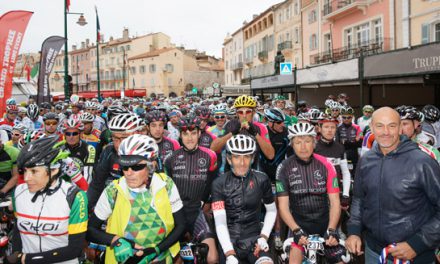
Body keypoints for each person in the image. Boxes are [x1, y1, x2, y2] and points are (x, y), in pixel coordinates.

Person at [345, 107, 440, 263]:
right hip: (373, 251)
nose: (386, 132)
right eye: (380, 126)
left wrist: (417, 243)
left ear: (400, 127)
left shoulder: (423, 162)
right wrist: (354, 231)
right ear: (372, 127)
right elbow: (359, 199)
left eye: (392, 125)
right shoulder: (366, 161)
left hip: (414, 255)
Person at [87, 134, 185, 264]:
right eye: (124, 166)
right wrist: (115, 241)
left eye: (136, 167)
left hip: (161, 258)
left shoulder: (166, 184)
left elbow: (181, 225)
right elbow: (90, 230)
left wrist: (157, 250)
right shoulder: (113, 191)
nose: (128, 172)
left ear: (152, 165)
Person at [11, 135, 88, 264]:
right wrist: (16, 253)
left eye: (34, 171)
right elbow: (17, 230)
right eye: (24, 171)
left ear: (54, 170)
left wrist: (25, 259)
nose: (26, 178)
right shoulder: (18, 192)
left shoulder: (74, 196)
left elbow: (75, 249)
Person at [276, 122, 343, 264]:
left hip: (325, 224)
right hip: (299, 226)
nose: (303, 146)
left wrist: (331, 229)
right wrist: (296, 230)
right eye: (298, 142)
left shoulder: (326, 164)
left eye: (307, 141)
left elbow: (335, 202)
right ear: (292, 145)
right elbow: (283, 207)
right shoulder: (283, 167)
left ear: (314, 143)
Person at [211, 135, 276, 264]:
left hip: (255, 238)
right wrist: (229, 252)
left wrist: (264, 236)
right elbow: (220, 222)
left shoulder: (262, 179)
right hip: (229, 240)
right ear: (229, 159)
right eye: (236, 157)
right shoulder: (219, 183)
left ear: (252, 158)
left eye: (246, 156)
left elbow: (272, 211)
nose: (242, 162)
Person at [164, 115, 219, 263]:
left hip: (198, 211)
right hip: (176, 213)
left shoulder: (210, 155)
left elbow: (212, 183)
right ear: (180, 135)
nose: (189, 138)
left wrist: (206, 204)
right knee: (177, 260)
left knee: (212, 258)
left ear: (199, 134)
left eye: (193, 133)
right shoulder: (170, 158)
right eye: (185, 134)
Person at [87, 113, 142, 211]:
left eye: (125, 138)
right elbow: (96, 184)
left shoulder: (148, 153)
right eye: (115, 138)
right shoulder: (109, 151)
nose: (120, 144)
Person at [211, 95, 274, 172]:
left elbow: (270, 155)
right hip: (231, 173)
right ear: (237, 114)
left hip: (252, 174)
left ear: (253, 113)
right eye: (241, 112)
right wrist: (232, 133)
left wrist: (255, 134)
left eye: (248, 112)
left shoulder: (261, 127)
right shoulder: (230, 125)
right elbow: (213, 148)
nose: (244, 116)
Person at [63, 118, 96, 183]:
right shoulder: (60, 148)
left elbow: (88, 175)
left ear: (80, 134)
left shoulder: (89, 149)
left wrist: (84, 191)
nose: (71, 136)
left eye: (75, 133)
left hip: (81, 182)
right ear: (64, 135)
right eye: (68, 134)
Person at [0, 130, 19, 196]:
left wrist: (3, 191)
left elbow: (16, 175)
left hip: (9, 185)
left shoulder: (14, 152)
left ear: (0, 141)